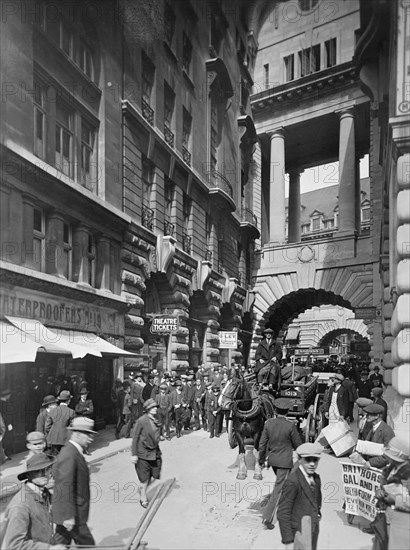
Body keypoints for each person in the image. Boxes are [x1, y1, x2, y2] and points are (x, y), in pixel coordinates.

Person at [2, 453, 65, 550]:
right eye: (39, 470)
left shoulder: (43, 492)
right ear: (29, 474)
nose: (44, 473)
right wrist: (48, 548)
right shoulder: (20, 505)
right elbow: (14, 546)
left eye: (47, 468)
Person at [52, 417, 96, 546]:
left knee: (60, 544)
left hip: (73, 512)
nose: (91, 438)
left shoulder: (74, 451)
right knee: (87, 544)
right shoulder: (70, 454)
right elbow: (64, 486)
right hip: (72, 514)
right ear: (76, 434)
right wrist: (68, 516)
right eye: (87, 435)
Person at [259, 398, 302, 530]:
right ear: (288, 411)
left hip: (273, 461)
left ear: (276, 410)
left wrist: (261, 460)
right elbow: (298, 445)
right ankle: (267, 518)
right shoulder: (290, 426)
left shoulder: (268, 424)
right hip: (284, 462)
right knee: (279, 488)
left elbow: (262, 444)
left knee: (286, 484)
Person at [362, 435, 410, 543]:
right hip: (385, 518)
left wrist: (395, 500)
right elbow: (383, 486)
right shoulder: (389, 469)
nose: (387, 457)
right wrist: (379, 491)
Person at [277, 442, 323, 550]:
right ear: (299, 459)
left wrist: (317, 514)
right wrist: (288, 540)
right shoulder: (293, 481)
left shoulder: (316, 478)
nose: (312, 464)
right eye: (308, 460)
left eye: (315, 460)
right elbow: (283, 511)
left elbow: (316, 500)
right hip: (298, 532)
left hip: (312, 528)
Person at [131, 398, 162, 508]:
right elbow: (135, 437)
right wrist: (134, 454)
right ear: (147, 409)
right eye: (152, 408)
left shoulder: (156, 418)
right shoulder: (141, 421)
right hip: (142, 453)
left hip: (154, 451)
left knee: (155, 474)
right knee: (144, 478)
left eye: (155, 407)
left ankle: (142, 487)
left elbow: (157, 430)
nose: (155, 409)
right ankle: (143, 497)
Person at [361, 403, 395, 469]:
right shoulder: (372, 427)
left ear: (377, 416)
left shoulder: (387, 431)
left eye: (369, 414)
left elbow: (388, 455)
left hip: (380, 469)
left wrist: (371, 463)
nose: (366, 416)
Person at [45, 390, 75, 456]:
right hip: (65, 439)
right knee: (64, 458)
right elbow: (72, 427)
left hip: (53, 439)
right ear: (68, 401)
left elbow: (47, 427)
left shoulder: (52, 411)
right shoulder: (71, 412)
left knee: (54, 458)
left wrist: (53, 433)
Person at [0, 387, 13, 460]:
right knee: (5, 439)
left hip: (4, 423)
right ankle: (4, 455)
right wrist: (9, 424)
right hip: (4, 424)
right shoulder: (4, 404)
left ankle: (4, 455)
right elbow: (6, 415)